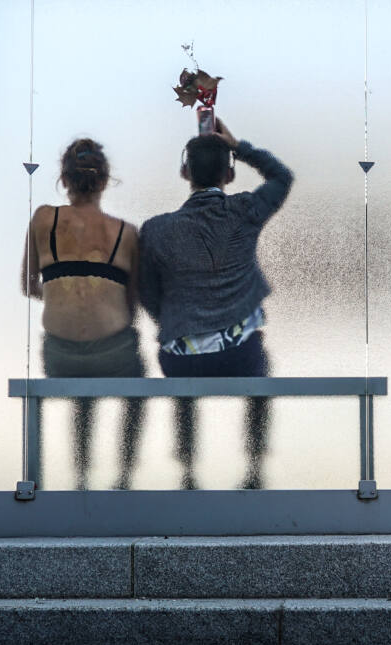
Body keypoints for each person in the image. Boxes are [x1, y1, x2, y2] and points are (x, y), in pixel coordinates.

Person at [139, 116, 293, 490]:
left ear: (183, 171)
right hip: (240, 355)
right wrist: (239, 146)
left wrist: (174, 321)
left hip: (182, 356)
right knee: (260, 366)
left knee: (180, 374)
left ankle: (188, 473)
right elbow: (282, 179)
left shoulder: (156, 230)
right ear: (230, 175)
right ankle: (255, 470)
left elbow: (147, 292)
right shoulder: (244, 211)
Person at [22, 138, 145, 490]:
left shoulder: (44, 219)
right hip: (116, 352)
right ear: (105, 181)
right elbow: (132, 304)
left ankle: (81, 476)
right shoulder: (127, 233)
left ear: (64, 180)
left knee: (82, 400)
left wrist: (65, 294)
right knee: (138, 388)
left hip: (60, 354)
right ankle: (124, 475)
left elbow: (28, 283)